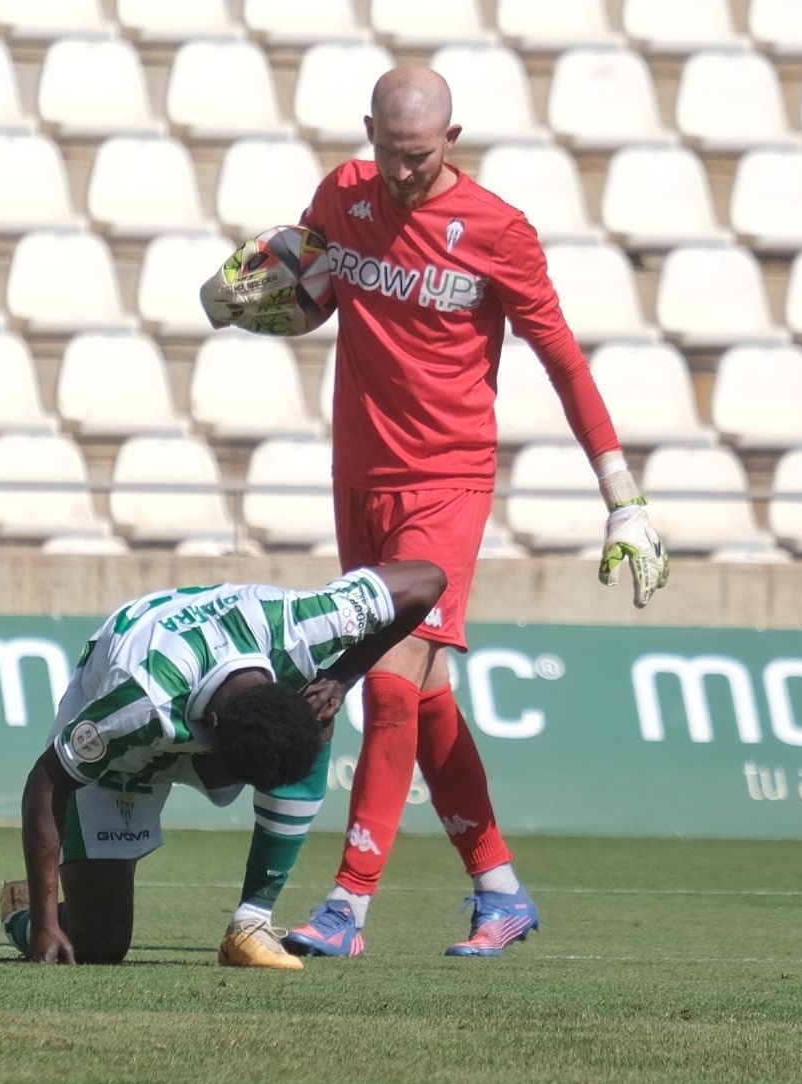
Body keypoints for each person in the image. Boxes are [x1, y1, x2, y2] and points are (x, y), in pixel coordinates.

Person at [267, 67, 670, 960]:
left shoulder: (496, 230)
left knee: (388, 678)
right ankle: (500, 889)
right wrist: (250, 305)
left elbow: (563, 359)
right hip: (359, 477)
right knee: (431, 699)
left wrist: (622, 496)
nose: (403, 174)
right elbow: (310, 293)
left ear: (452, 140)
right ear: (367, 129)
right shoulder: (340, 195)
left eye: (419, 158)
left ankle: (348, 905)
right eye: (389, 153)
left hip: (447, 482)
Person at [0, 559, 447, 968]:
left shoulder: (300, 624)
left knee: (316, 719)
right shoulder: (137, 704)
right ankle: (22, 908)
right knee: (99, 945)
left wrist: (340, 678)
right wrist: (43, 924)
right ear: (208, 734)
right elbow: (47, 779)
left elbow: (428, 581)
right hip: (131, 742)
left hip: (209, 677)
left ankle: (253, 919)